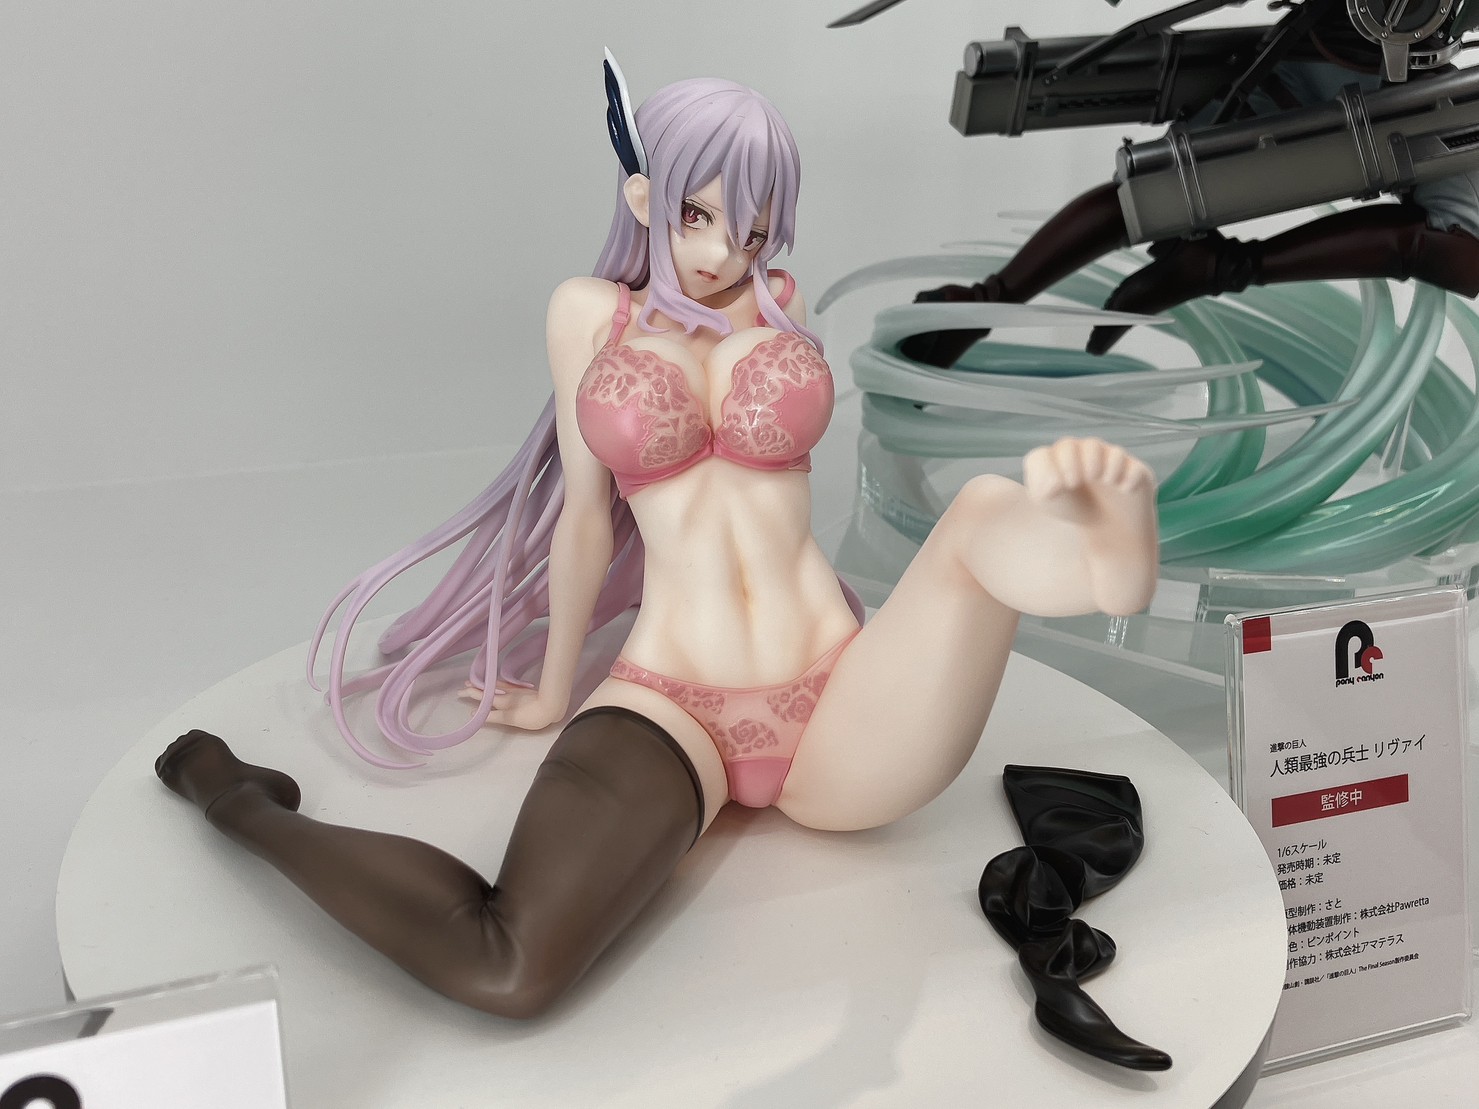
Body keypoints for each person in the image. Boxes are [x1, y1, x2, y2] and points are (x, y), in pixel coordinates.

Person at [156, 65, 1160, 1020]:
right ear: (644, 194)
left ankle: (1107, 564)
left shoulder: (779, 300)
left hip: (835, 690)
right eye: (697, 216)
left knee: (979, 514)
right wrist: (554, 691)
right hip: (672, 702)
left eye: (751, 227)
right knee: (510, 964)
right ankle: (240, 801)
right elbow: (583, 515)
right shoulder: (588, 314)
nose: (723, 252)